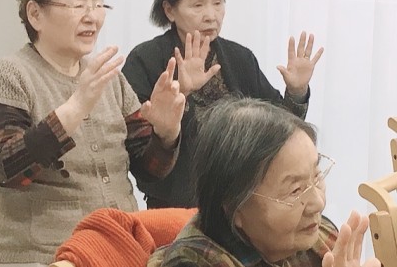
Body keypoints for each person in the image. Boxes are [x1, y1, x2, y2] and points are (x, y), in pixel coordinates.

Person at [0, 0, 186, 267]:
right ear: (35, 14)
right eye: (78, 6)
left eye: (98, 5)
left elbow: (149, 171)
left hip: (120, 249)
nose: (92, 17)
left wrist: (165, 135)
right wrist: (75, 108)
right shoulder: (8, 75)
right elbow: (4, 169)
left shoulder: (111, 80)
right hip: (43, 255)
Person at [122, 0, 324, 208]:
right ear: (169, 10)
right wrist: (182, 93)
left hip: (242, 204)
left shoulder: (239, 58)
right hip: (175, 208)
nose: (211, 16)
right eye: (197, 5)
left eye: (218, 3)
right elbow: (140, 160)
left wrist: (296, 91)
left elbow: (279, 134)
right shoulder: (145, 60)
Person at [147, 97, 380, 267]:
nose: (318, 203)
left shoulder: (315, 236)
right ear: (234, 206)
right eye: (295, 190)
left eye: (317, 176)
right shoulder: (194, 261)